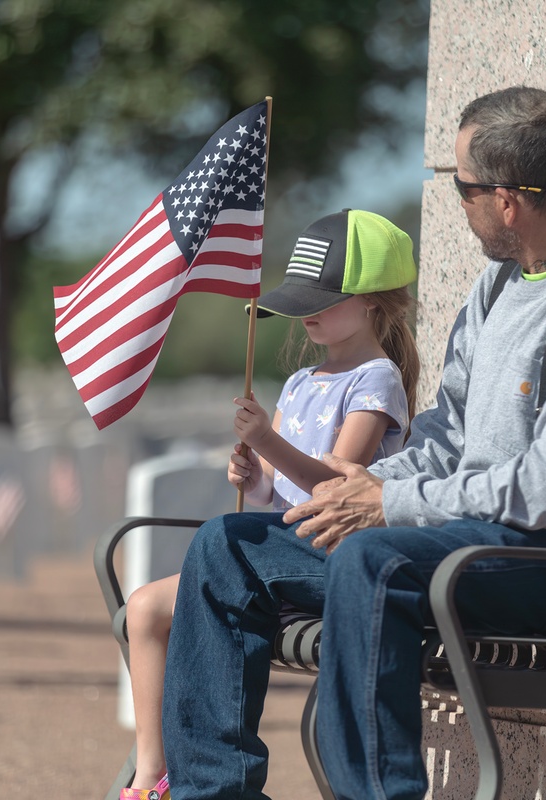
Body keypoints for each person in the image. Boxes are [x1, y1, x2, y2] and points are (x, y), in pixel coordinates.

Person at [159, 86, 546, 800]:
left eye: (464, 189)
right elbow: (445, 433)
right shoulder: (500, 282)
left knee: (377, 561)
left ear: (508, 201)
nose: (458, 204)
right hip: (473, 537)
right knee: (230, 549)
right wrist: (361, 484)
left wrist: (393, 501)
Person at [121, 209, 420, 800]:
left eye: (323, 297)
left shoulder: (377, 379)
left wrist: (267, 443)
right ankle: (151, 773)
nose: (305, 308)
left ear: (374, 303)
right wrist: (254, 473)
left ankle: (190, 777)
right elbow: (272, 497)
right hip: (277, 547)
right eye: (299, 296)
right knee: (143, 607)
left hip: (323, 553)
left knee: (184, 589)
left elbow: (335, 489)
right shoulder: (299, 381)